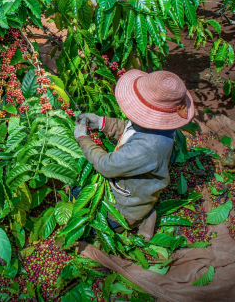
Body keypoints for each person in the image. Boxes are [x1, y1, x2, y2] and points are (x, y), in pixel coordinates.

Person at [74, 70, 194, 239]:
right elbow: (130, 128)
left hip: (123, 207)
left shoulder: (148, 146)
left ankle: (134, 220)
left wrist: (83, 139)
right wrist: (102, 123)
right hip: (125, 185)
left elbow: (107, 165)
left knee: (82, 218)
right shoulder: (158, 124)